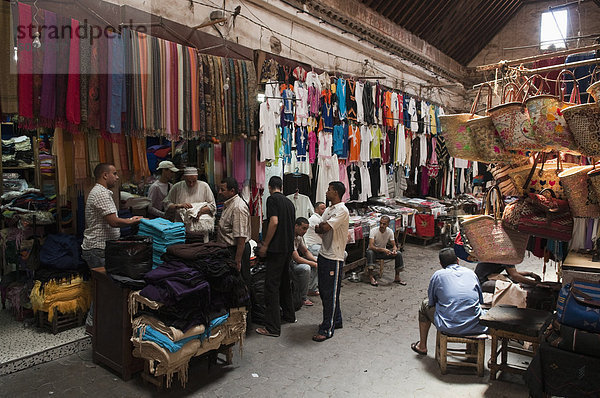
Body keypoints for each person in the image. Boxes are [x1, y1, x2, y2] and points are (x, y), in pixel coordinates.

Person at [411, 248, 487, 356]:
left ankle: (422, 346)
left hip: (449, 326)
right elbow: (480, 301)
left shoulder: (438, 275)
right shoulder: (471, 273)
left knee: (424, 305)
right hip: (475, 324)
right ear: (457, 260)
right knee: (474, 307)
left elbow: (431, 302)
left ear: (441, 264)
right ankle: (472, 351)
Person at [256, 176, 296, 337]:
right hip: (287, 249)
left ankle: (272, 327)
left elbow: (273, 222)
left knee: (271, 287)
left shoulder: (272, 200)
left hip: (277, 249)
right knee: (285, 283)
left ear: (271, 187)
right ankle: (289, 315)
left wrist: (265, 245)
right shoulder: (289, 203)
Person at [81, 163, 143, 269]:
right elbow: (113, 222)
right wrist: (133, 220)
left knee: (105, 282)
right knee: (105, 283)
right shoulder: (101, 193)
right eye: (114, 174)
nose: (117, 177)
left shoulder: (101, 191)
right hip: (98, 249)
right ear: (105, 175)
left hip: (99, 248)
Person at [312, 181, 349, 342]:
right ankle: (336, 320)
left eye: (329, 190)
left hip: (334, 257)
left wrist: (323, 226)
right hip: (324, 253)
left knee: (330, 294)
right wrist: (322, 226)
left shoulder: (342, 210)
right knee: (326, 291)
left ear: (336, 193)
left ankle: (327, 328)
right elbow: (318, 227)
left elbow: (325, 228)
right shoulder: (328, 209)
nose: (327, 192)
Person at [217, 177, 251, 282]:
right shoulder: (229, 204)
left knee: (240, 282)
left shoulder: (238, 207)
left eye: (223, 190)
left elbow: (241, 237)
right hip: (230, 250)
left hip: (237, 250)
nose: (219, 192)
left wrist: (237, 261)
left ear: (232, 191)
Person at [163, 167, 216, 233]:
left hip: (200, 228)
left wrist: (198, 212)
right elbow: (167, 205)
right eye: (188, 181)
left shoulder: (204, 186)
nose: (191, 184)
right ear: (184, 178)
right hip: (181, 227)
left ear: (197, 177)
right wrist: (179, 205)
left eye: (194, 181)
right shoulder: (177, 187)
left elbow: (212, 206)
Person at [365, 215, 406, 286]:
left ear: (388, 224)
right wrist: (383, 249)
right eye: (380, 223)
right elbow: (371, 246)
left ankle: (397, 277)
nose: (381, 225)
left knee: (398, 254)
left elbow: (394, 245)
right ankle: (371, 277)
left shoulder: (389, 231)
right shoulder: (373, 231)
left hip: (383, 252)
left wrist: (394, 250)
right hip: (374, 252)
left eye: (384, 224)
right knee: (370, 252)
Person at [290, 217, 319, 307]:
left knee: (316, 259)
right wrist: (314, 263)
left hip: (295, 262)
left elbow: (305, 251)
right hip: (289, 265)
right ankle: (303, 297)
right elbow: (297, 258)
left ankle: (311, 288)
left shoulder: (299, 237)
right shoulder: (290, 236)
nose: (305, 231)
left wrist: (316, 260)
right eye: (303, 228)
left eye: (306, 229)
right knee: (306, 268)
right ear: (296, 226)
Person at [304, 201, 326, 296]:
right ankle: (312, 287)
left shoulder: (320, 218)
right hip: (312, 246)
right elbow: (323, 235)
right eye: (322, 208)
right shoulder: (315, 219)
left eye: (325, 208)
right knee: (324, 258)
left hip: (316, 245)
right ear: (316, 209)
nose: (324, 210)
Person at [475, 262, 542, 293]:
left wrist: (530, 274)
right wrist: (534, 283)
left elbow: (513, 273)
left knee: (512, 280)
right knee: (512, 287)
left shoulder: (505, 254)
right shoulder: (507, 257)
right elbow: (515, 276)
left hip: (489, 277)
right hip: (482, 283)